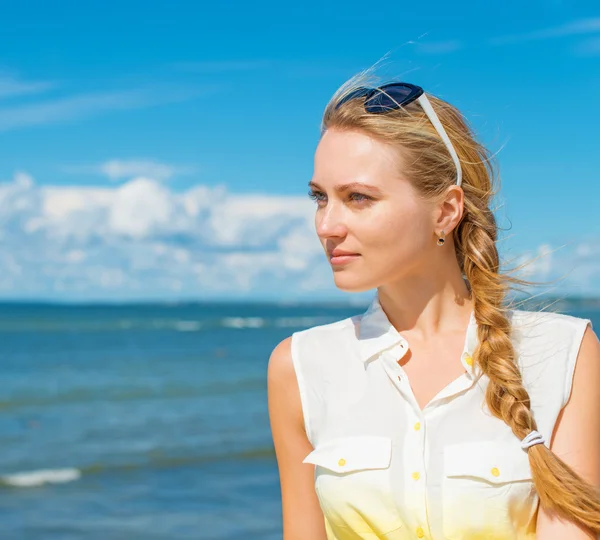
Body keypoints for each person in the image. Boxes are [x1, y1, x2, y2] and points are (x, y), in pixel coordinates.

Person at [267, 68, 600, 540]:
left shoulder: (562, 353)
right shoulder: (299, 366)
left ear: (446, 210)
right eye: (320, 198)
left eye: (358, 197)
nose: (326, 225)